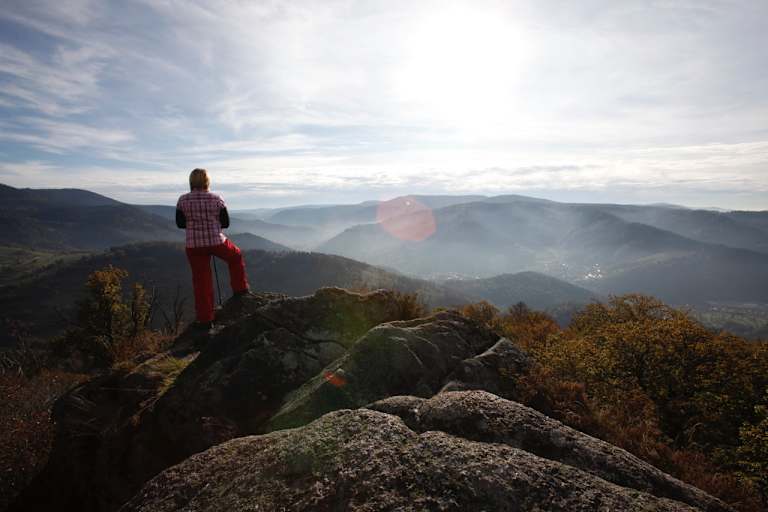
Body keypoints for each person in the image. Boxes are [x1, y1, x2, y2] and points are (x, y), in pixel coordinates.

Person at [176, 168, 249, 329]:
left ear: (191, 182)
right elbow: (226, 223)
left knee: (201, 281)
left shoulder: (182, 200)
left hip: (194, 245)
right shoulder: (216, 198)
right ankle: (240, 289)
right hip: (216, 241)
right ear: (207, 181)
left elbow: (180, 224)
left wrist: (195, 223)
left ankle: (205, 319)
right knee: (236, 256)